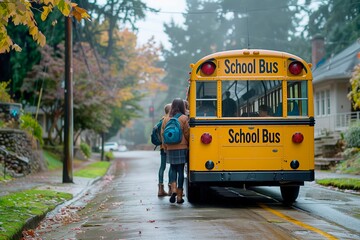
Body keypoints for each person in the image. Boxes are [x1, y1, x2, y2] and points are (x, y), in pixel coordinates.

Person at [161, 98, 190, 204]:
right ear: (182, 106)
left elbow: (163, 134)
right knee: (181, 171)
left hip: (170, 147)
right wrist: (188, 144)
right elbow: (187, 133)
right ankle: (179, 196)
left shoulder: (166, 119)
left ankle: (172, 189)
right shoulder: (184, 118)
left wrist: (165, 146)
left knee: (172, 168)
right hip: (182, 147)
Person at [158, 103, 172, 197]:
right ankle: (171, 188)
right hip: (170, 147)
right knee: (172, 166)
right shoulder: (170, 120)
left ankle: (160, 189)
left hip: (162, 147)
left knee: (162, 167)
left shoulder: (161, 120)